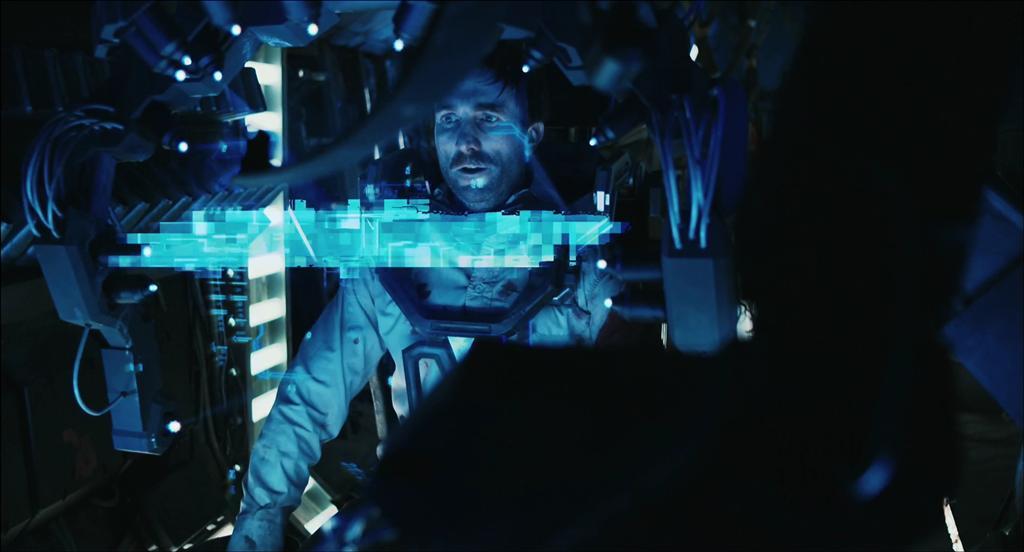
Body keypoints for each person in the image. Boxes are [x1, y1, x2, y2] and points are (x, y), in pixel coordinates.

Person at [228, 49, 622, 551]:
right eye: (449, 119)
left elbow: (634, 416)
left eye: (488, 118)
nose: (466, 141)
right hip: (423, 515)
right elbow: (311, 393)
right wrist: (260, 518)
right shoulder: (395, 263)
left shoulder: (585, 261)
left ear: (532, 135)